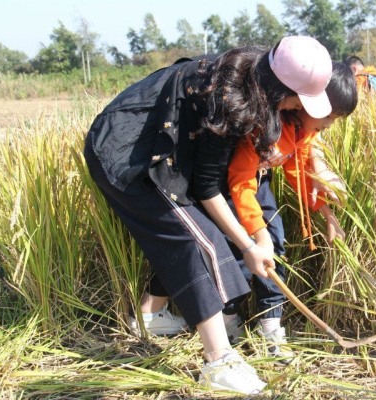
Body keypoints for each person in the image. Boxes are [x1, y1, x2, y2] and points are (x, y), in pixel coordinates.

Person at [83, 36, 333, 395]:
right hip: (125, 153)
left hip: (161, 147)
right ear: (279, 88)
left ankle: (150, 317)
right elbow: (206, 186)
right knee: (196, 239)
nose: (296, 107)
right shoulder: (232, 100)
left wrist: (255, 237)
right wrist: (248, 245)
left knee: (198, 231)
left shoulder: (253, 77)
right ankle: (219, 362)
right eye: (297, 98)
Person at [222, 62, 357, 362]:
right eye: (329, 116)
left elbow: (298, 171)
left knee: (275, 242)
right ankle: (228, 321)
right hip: (231, 187)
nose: (329, 125)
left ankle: (270, 325)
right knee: (236, 252)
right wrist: (255, 233)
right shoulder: (264, 127)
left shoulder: (302, 130)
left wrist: (326, 214)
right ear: (309, 102)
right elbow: (239, 179)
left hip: (259, 182)